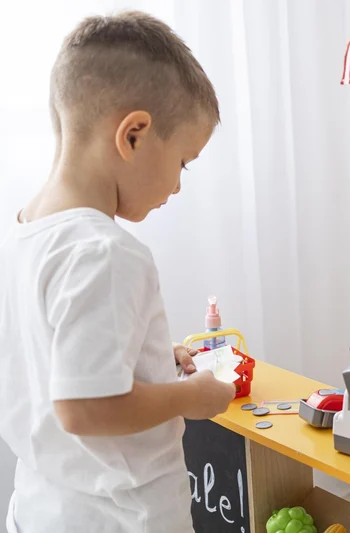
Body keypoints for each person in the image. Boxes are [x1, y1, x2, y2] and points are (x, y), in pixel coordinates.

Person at [0, 11, 235, 533]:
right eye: (183, 162)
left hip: (40, 509)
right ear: (133, 135)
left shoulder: (21, 236)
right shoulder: (105, 252)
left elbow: (54, 359)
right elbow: (85, 408)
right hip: (123, 517)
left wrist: (148, 359)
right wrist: (192, 397)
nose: (177, 186)